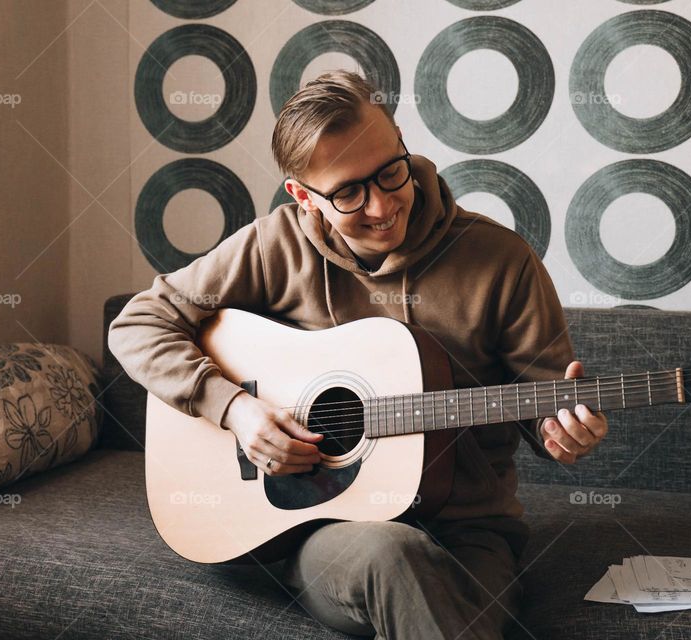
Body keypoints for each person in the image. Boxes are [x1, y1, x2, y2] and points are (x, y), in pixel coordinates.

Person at [108, 70, 608, 639]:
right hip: (327, 530)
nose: (381, 206)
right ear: (304, 197)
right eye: (348, 192)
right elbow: (138, 324)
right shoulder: (275, 246)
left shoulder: (501, 260)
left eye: (391, 172)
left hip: (469, 531)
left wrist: (560, 431)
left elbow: (546, 404)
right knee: (388, 554)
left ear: (399, 139)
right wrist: (235, 410)